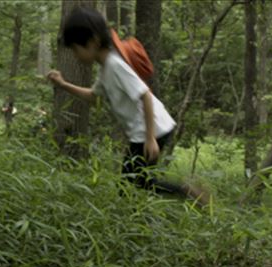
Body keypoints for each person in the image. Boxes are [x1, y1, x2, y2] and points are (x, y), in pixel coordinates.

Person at [46, 7, 206, 203]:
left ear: (93, 42)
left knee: (131, 184)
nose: (75, 55)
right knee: (136, 183)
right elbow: (94, 97)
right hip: (150, 130)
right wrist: (63, 85)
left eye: (76, 49)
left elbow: (145, 95)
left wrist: (150, 139)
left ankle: (187, 193)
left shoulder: (114, 65)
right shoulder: (106, 69)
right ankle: (185, 194)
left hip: (152, 130)